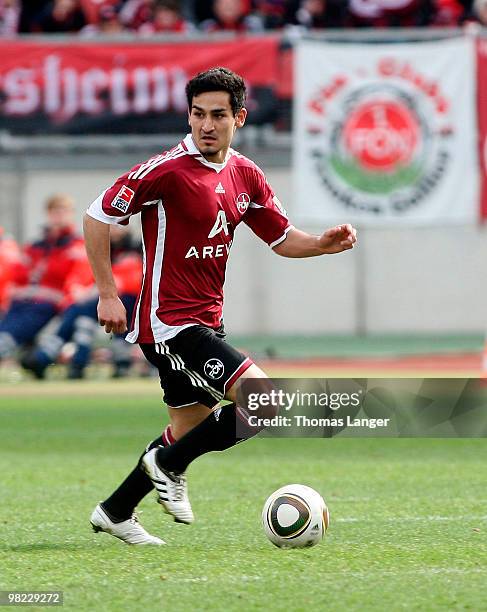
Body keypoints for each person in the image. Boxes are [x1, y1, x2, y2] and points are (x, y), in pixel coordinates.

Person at [84, 67, 357, 545]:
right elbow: (96, 216)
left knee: (186, 429)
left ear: (240, 118)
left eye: (217, 115)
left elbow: (281, 238)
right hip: (169, 322)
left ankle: (116, 510)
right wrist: (108, 292)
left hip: (207, 320)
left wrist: (320, 244)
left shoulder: (245, 174)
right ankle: (166, 466)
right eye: (197, 114)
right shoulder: (166, 171)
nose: (205, 125)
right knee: (264, 402)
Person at [21, 226, 142, 380]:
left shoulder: (135, 249)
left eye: (119, 225)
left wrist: (101, 288)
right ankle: (77, 362)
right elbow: (81, 276)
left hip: (131, 299)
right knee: (81, 313)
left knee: (82, 311)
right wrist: (77, 290)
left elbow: (131, 279)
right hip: (101, 298)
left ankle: (50, 356)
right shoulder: (101, 249)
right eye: (111, 225)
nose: (114, 229)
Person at [0, 194, 84, 363]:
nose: (59, 216)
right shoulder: (36, 246)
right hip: (27, 300)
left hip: (52, 302)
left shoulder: (77, 246)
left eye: (63, 211)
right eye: (55, 212)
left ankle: (8, 345)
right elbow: (20, 275)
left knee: (25, 320)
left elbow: (77, 278)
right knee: (11, 316)